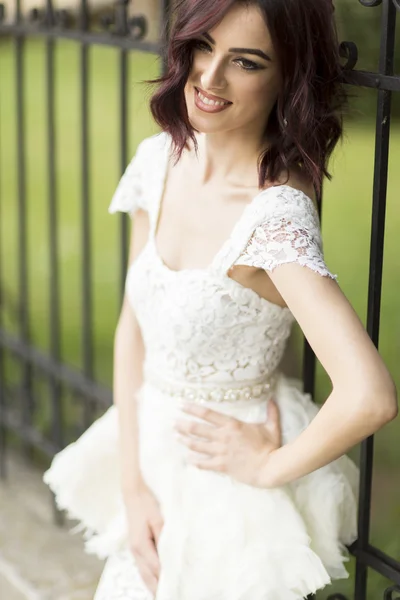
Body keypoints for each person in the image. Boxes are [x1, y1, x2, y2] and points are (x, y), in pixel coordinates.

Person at [43, 0, 398, 598]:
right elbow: (133, 328)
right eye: (203, 46)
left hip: (225, 498)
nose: (208, 78)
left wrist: (264, 467)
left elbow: (369, 395)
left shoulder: (273, 217)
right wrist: (132, 485)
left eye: (246, 61)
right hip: (150, 461)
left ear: (288, 76)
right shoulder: (159, 160)